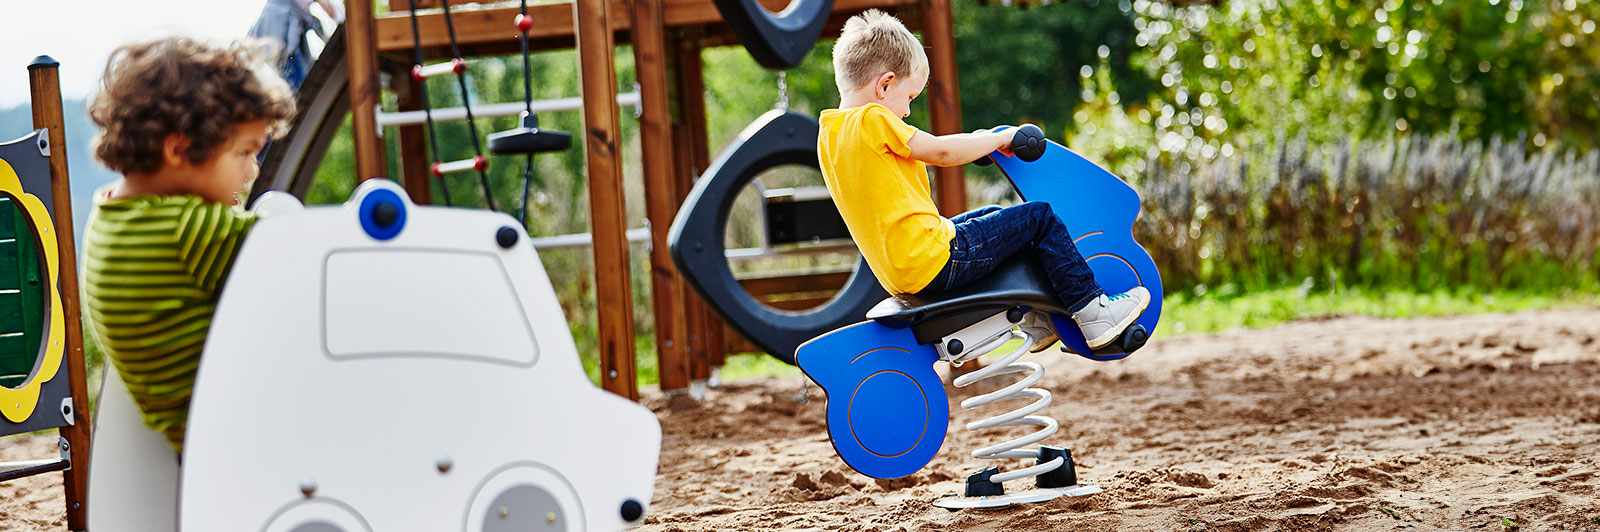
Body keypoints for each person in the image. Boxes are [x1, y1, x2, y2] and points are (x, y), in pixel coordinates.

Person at [818, 10, 1150, 355]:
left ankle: (1038, 318)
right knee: (1039, 218)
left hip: (902, 270)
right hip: (934, 258)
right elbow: (943, 151)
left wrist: (978, 139)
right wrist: (998, 138)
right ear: (885, 85)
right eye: (910, 98)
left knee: (996, 216)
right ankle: (1094, 311)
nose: (906, 112)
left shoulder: (830, 134)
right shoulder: (872, 119)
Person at [83, 36, 295, 452]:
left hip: (197, 439)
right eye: (245, 153)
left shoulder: (111, 215)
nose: (252, 171)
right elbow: (291, 252)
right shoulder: (184, 229)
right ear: (179, 148)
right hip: (246, 434)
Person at [248, 0, 344, 91]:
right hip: (280, 35)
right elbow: (332, 11)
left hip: (288, 38)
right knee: (298, 85)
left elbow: (335, 14)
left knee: (303, 81)